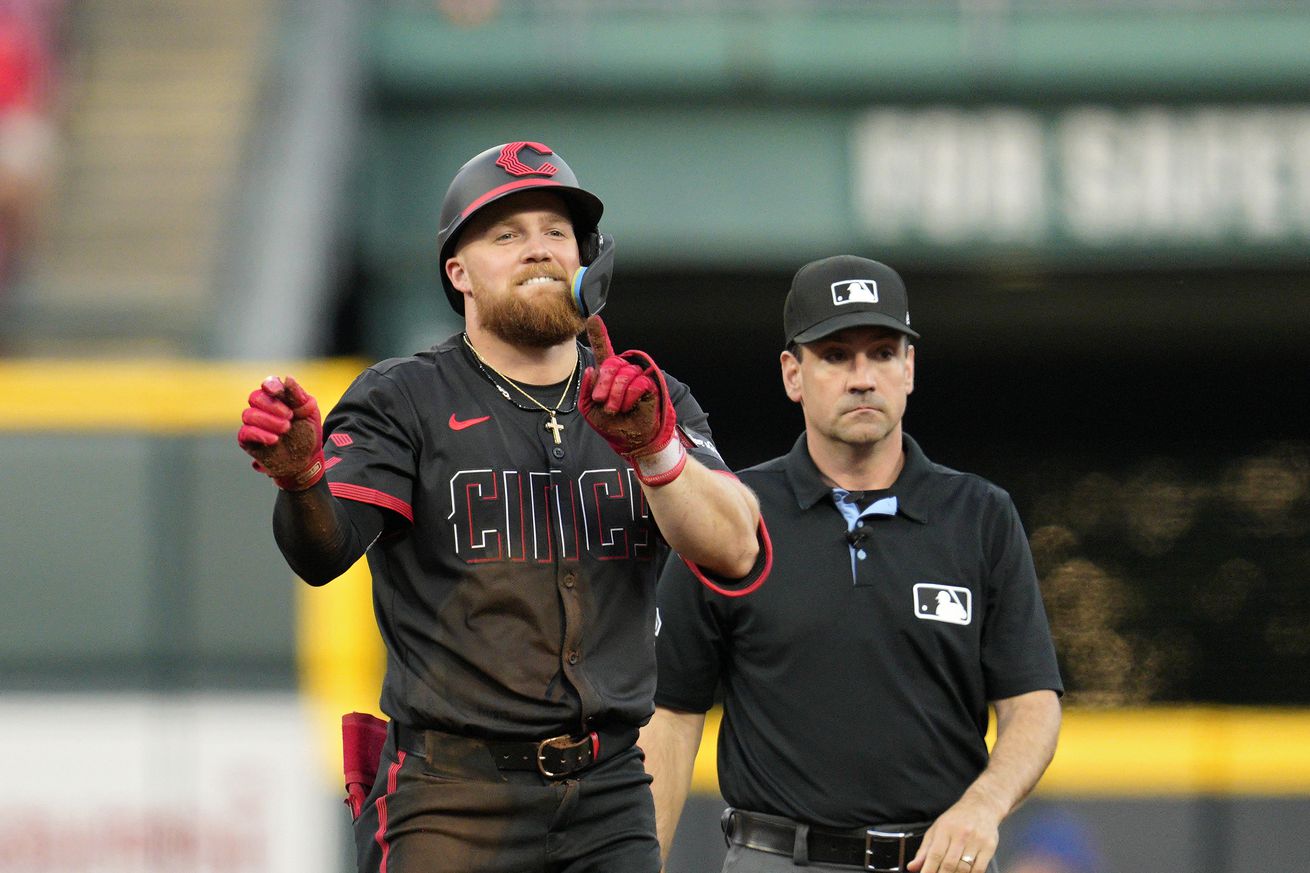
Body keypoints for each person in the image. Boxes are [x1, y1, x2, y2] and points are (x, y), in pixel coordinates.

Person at [237, 140, 762, 873]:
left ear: (588, 260)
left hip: (610, 788)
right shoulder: (404, 397)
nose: (538, 249)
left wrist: (656, 452)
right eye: (506, 234)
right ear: (459, 272)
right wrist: (302, 481)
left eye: (556, 232)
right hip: (452, 794)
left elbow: (737, 548)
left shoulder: (649, 400)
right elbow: (323, 554)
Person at [641, 255, 1063, 873]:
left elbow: (1032, 702)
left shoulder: (979, 514)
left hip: (939, 860)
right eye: (836, 355)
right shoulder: (731, 515)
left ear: (909, 368)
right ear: (793, 373)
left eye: (883, 353)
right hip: (779, 856)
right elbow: (672, 714)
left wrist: (984, 805)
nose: (862, 376)